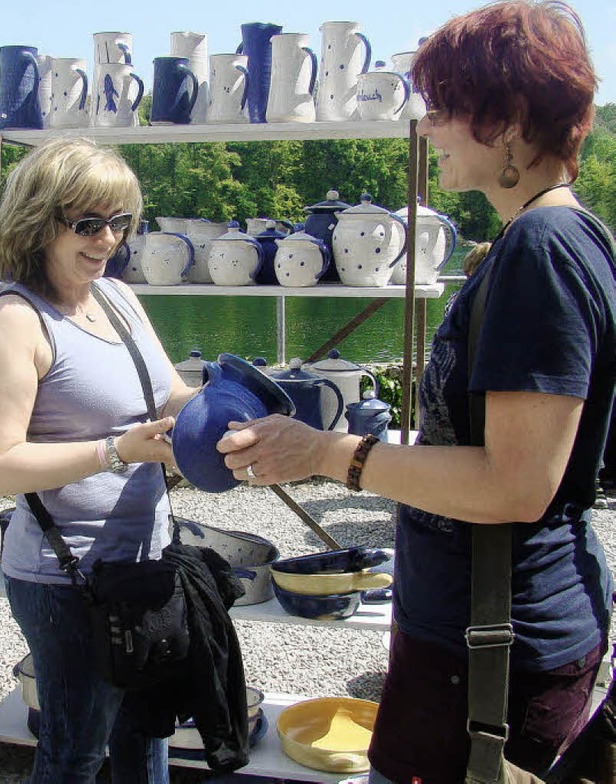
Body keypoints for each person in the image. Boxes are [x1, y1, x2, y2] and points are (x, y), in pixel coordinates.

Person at [217, 2, 616, 782]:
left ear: (507, 119)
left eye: (443, 107)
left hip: (492, 651)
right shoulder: (565, 236)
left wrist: (329, 453)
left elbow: (516, 483)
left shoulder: (543, 248)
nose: (426, 127)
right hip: (488, 634)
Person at [0, 138, 199, 783]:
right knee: (74, 754)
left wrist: (226, 408)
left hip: (145, 566)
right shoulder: (14, 321)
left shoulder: (117, 299)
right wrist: (115, 452)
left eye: (120, 223)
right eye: (88, 224)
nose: (108, 240)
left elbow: (168, 394)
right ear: (38, 223)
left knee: (145, 737)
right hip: (64, 582)